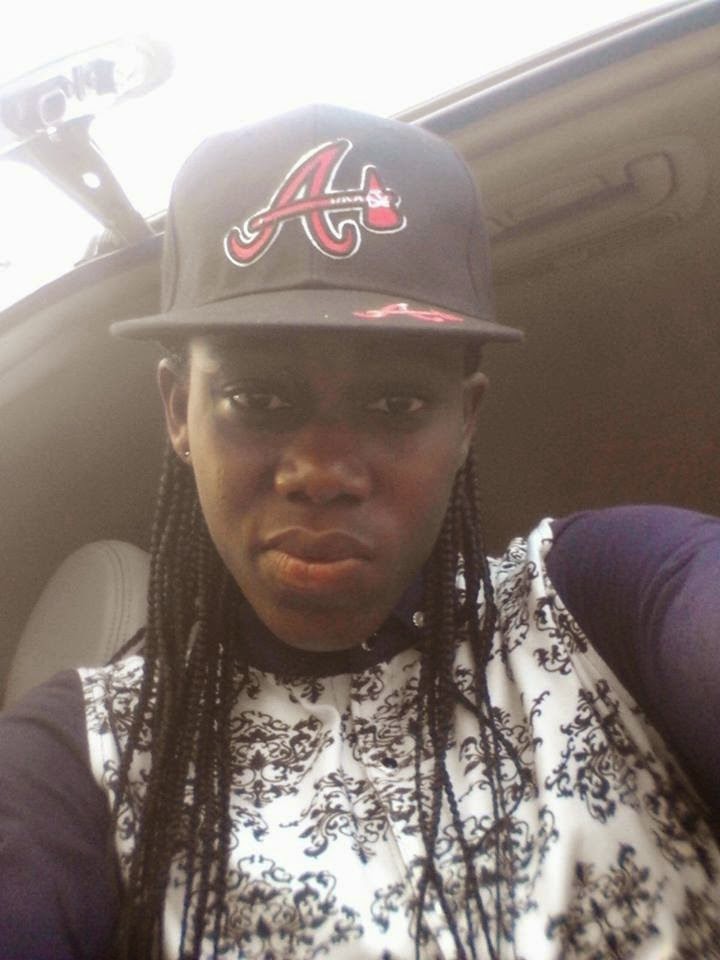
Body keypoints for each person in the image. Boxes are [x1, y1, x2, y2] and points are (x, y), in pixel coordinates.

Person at [1, 103, 719, 960]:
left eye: (396, 402)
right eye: (258, 398)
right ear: (178, 412)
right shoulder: (86, 755)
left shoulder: (598, 600)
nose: (323, 472)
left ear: (465, 421)